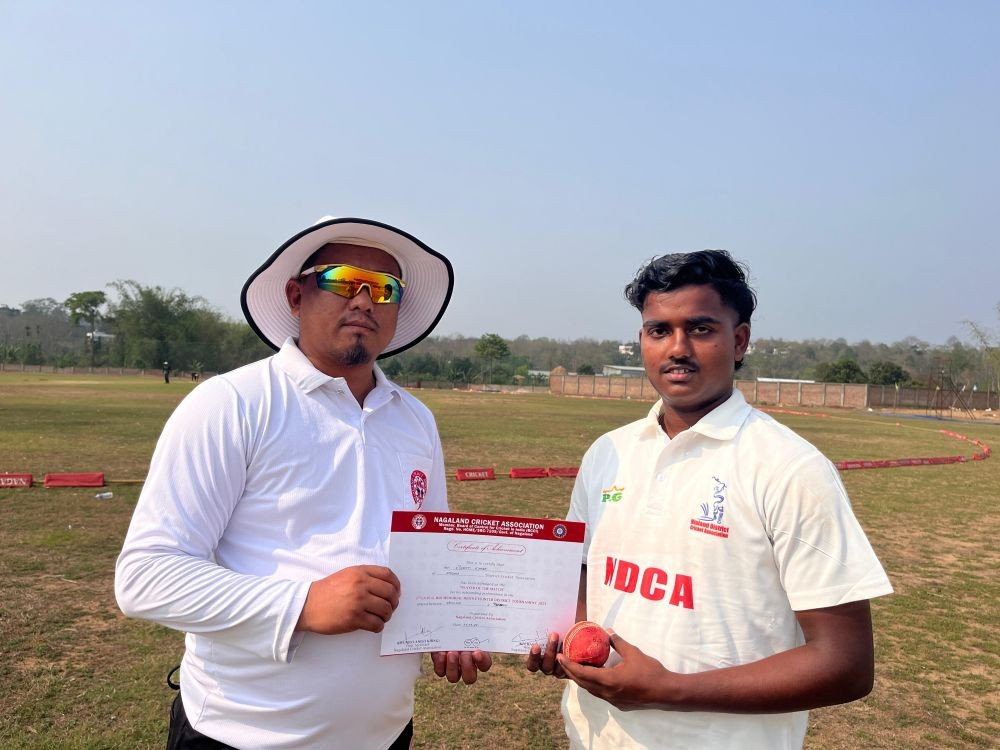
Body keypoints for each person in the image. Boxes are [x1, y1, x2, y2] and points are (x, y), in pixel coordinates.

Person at [116, 216, 491, 750]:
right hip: (241, 735)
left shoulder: (414, 419)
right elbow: (146, 576)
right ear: (296, 294)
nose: (363, 299)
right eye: (342, 279)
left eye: (384, 288)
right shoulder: (232, 404)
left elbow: (428, 558)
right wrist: (302, 603)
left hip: (383, 735)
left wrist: (450, 625)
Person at [527, 250, 892, 749]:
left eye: (700, 329)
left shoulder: (790, 467)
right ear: (642, 341)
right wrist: (567, 638)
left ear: (738, 340)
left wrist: (668, 691)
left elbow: (845, 664)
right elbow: (584, 573)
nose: (677, 348)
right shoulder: (607, 453)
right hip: (596, 737)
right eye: (659, 331)